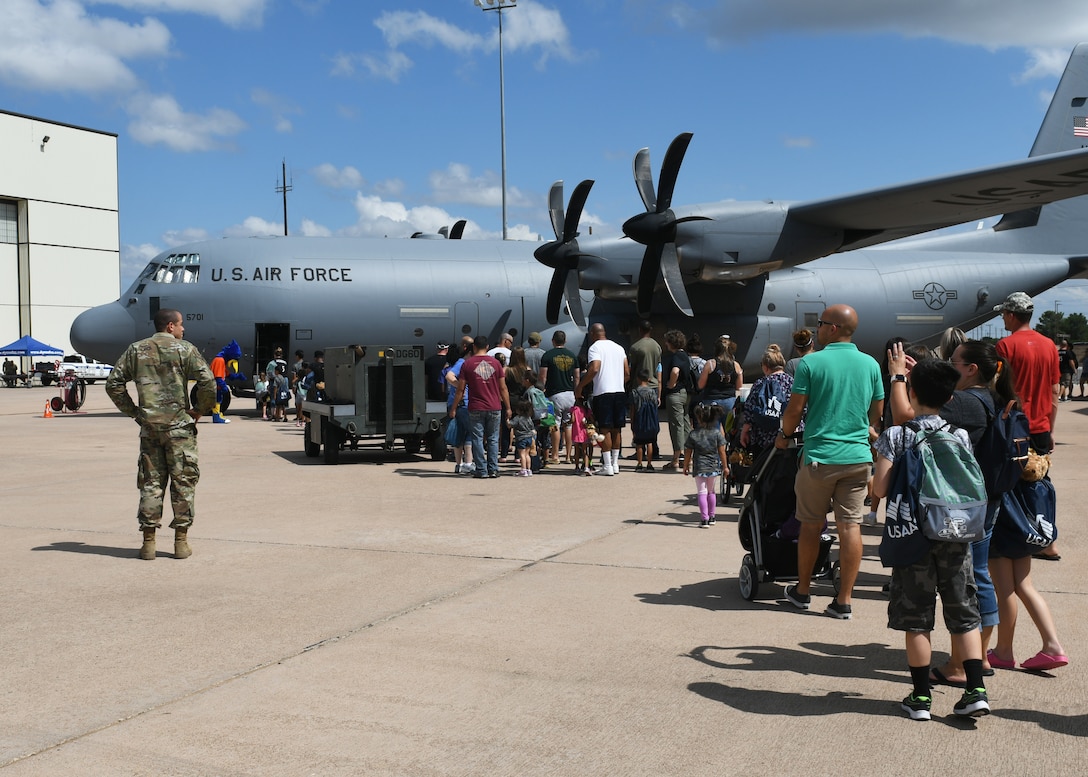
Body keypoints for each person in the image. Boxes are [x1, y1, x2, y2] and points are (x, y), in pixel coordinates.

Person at [870, 359, 991, 721]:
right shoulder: (960, 435)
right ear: (950, 398)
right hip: (955, 531)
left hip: (914, 536)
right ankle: (975, 690)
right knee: (964, 613)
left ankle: (921, 698)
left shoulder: (897, 435)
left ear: (911, 393)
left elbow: (880, 488)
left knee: (917, 618)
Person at [776, 304, 884, 620]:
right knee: (850, 527)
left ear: (833, 328)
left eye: (821, 323)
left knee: (810, 525)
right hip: (857, 459)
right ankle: (844, 600)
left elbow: (795, 411)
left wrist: (783, 435)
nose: (817, 329)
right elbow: (875, 411)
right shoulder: (870, 364)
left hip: (820, 457)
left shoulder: (812, 362)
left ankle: (803, 591)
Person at [927, 340, 1014, 686]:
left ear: (972, 369)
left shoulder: (964, 402)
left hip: (966, 503)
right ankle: (979, 656)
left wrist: (901, 380)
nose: (951, 366)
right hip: (989, 499)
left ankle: (961, 665)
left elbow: (910, 416)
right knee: (981, 575)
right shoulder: (993, 398)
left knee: (963, 582)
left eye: (954, 362)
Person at [105, 308, 216, 561]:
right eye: (180, 325)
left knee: (151, 483)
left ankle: (148, 544)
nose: (183, 329)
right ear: (170, 327)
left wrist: (134, 412)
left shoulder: (136, 350)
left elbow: (113, 384)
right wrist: (199, 410)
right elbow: (208, 381)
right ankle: (180, 542)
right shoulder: (185, 349)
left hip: (150, 429)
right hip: (179, 429)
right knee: (183, 482)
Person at [994, 292, 1061, 560]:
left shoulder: (1006, 346)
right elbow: (1055, 391)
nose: (1002, 318)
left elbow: (999, 389)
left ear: (1011, 314)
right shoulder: (1049, 346)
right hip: (1042, 425)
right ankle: (1048, 540)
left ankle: (1017, 536)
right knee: (1040, 483)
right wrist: (1051, 429)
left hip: (1015, 425)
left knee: (1010, 483)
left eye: (1003, 314)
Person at [450, 335, 511, 479]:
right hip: (494, 406)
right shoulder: (496, 363)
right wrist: (508, 407)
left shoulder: (468, 364)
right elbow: (503, 388)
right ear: (487, 347)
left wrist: (453, 407)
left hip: (475, 406)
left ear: (474, 347)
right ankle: (493, 469)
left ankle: (481, 470)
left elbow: (460, 389)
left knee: (477, 438)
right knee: (493, 438)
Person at [575, 322, 630, 476]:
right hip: (619, 391)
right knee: (616, 429)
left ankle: (607, 466)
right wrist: (617, 381)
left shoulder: (595, 348)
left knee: (604, 429)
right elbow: (627, 372)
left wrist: (581, 386)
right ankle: (615, 463)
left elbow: (595, 367)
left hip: (603, 392)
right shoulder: (619, 348)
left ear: (593, 334)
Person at [739, 345, 796, 460]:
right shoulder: (792, 382)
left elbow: (750, 410)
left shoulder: (760, 383)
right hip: (788, 435)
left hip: (763, 437)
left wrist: (744, 431)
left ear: (765, 367)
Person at [683, 403, 729, 528]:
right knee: (711, 492)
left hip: (699, 467)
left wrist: (686, 465)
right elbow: (722, 451)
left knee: (701, 492)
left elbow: (688, 451)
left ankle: (704, 519)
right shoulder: (717, 434)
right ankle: (712, 516)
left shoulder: (693, 434)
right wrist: (725, 466)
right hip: (713, 466)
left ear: (698, 418)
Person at [540, 330, 579, 464]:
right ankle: (568, 456)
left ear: (553, 340)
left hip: (555, 394)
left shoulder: (547, 355)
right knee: (568, 425)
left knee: (555, 424)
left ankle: (555, 455)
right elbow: (577, 377)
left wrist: (542, 390)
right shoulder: (572, 356)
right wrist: (577, 392)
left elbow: (543, 376)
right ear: (565, 341)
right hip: (570, 394)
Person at [627, 320, 663, 461]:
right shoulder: (657, 346)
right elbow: (659, 367)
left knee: (638, 420)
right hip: (653, 386)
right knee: (652, 419)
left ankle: (640, 448)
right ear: (651, 329)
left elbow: (632, 368)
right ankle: (654, 448)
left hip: (639, 386)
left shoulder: (635, 347)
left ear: (640, 330)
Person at [660, 329, 692, 471]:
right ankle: (687, 457)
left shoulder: (676, 357)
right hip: (685, 394)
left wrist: (671, 383)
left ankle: (676, 459)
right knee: (685, 425)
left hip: (676, 394)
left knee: (676, 426)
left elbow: (675, 371)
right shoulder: (685, 355)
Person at [697, 337, 743, 423]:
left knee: (713, 430)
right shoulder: (736, 365)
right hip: (730, 401)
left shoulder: (710, 364)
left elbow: (700, 385)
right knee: (729, 429)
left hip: (712, 400)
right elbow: (739, 386)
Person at [629, 368, 660, 472]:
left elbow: (632, 409)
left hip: (639, 420)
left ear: (638, 379)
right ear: (649, 379)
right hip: (650, 421)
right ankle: (649, 464)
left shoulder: (635, 392)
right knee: (650, 442)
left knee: (639, 443)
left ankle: (639, 463)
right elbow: (655, 406)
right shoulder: (652, 392)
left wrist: (632, 421)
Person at [509, 398, 538, 477]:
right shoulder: (529, 418)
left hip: (521, 438)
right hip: (529, 437)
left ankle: (523, 469)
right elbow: (532, 427)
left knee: (522, 454)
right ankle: (529, 470)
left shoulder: (518, 418)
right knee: (527, 454)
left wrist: (507, 420)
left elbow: (510, 425)